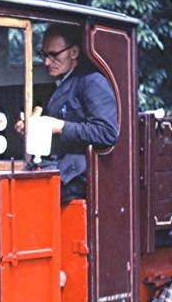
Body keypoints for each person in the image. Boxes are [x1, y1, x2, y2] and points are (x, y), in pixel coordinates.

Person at [17, 24, 118, 202]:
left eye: (54, 55)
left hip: (77, 175)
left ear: (74, 52)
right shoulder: (62, 83)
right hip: (58, 168)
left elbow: (107, 133)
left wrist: (59, 127)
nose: (47, 62)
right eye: (45, 55)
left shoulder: (91, 82)